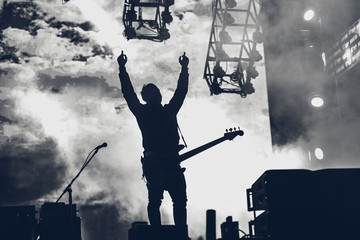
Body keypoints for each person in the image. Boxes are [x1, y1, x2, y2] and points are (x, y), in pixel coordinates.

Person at [117, 51, 189, 227]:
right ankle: (178, 234)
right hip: (164, 164)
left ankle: (159, 233)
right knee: (177, 202)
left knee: (158, 202)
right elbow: (181, 92)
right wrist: (184, 69)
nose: (157, 95)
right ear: (156, 96)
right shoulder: (167, 111)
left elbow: (128, 93)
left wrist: (122, 69)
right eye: (155, 92)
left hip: (156, 164)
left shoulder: (143, 112)